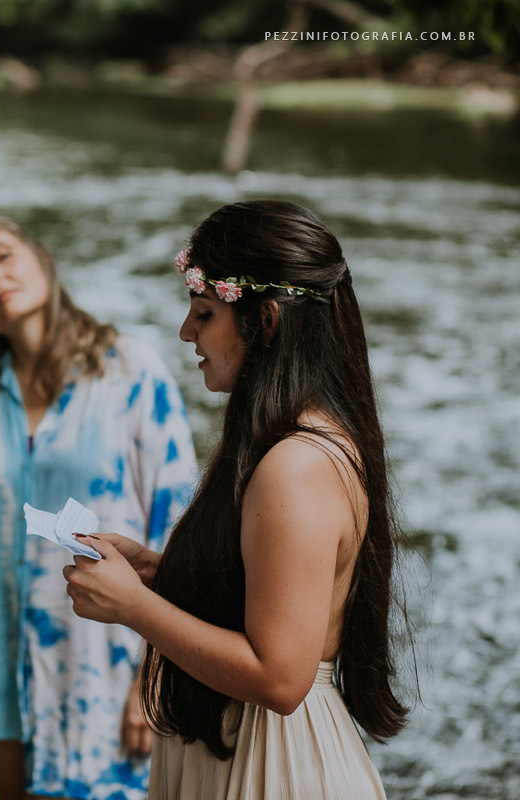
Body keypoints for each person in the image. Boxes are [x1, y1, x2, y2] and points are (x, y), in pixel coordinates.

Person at [64, 200, 409, 799]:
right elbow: (269, 597)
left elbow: (280, 677)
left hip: (276, 765)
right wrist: (160, 576)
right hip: (241, 748)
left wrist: (133, 608)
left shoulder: (297, 465)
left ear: (266, 321)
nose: (186, 333)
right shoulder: (283, 440)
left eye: (203, 313)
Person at [0, 215, 198, 800]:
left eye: (3, 256)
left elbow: (177, 531)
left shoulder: (131, 369)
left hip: (105, 660)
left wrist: (153, 679)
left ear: (42, 258)